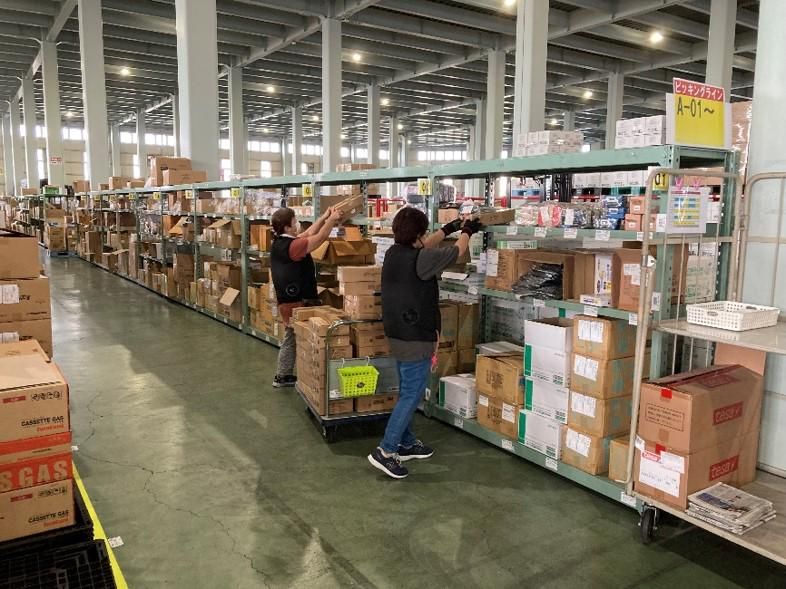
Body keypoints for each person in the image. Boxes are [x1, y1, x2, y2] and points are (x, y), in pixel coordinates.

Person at [368, 208, 482, 479]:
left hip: (397, 332)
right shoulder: (421, 259)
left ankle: (406, 443)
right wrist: (467, 230)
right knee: (412, 394)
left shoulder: (394, 253)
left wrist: (449, 227)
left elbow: (424, 246)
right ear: (417, 234)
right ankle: (386, 451)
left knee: (406, 391)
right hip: (415, 336)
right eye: (424, 233)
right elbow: (457, 252)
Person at [270, 205, 342, 388]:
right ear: (287, 227)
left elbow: (309, 233)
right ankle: (283, 375)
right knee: (295, 338)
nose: (298, 224)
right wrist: (332, 220)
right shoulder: (293, 246)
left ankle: (285, 374)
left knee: (293, 337)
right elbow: (319, 238)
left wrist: (324, 217)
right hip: (296, 302)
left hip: (288, 301)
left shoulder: (281, 242)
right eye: (294, 221)